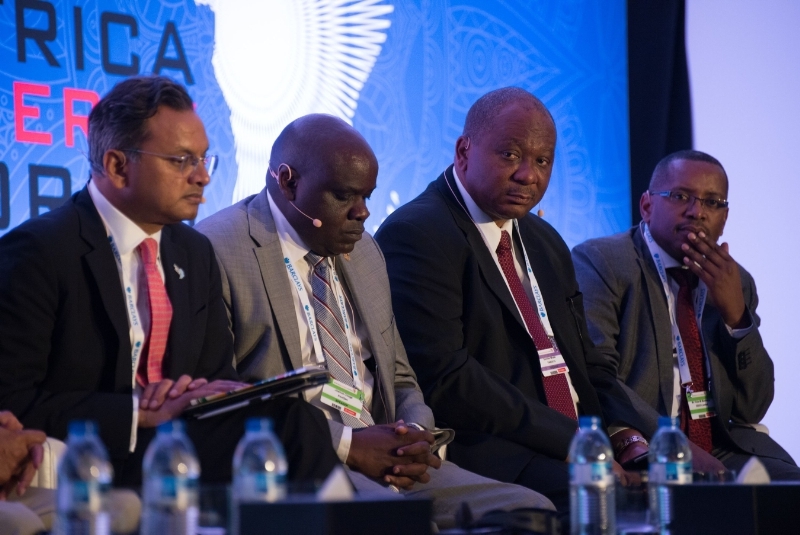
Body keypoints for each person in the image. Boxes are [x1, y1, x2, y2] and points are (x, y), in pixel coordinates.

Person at [196, 113, 555, 528]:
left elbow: (400, 374)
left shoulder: (365, 251)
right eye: (345, 195)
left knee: (531, 513)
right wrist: (351, 446)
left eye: (367, 196)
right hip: (305, 462)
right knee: (402, 522)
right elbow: (227, 399)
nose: (362, 213)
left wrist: (413, 435)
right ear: (288, 181)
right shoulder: (219, 250)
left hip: (390, 454)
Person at [0, 76, 339, 491]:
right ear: (118, 166)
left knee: (291, 419)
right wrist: (136, 412)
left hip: (182, 442)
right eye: (182, 161)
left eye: (204, 160)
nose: (203, 178)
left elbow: (213, 375)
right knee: (293, 429)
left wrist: (218, 393)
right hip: (93, 452)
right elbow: (13, 399)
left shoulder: (194, 252)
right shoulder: (40, 250)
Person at [374, 87, 651, 512]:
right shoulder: (419, 233)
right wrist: (569, 439)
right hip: (493, 447)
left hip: (574, 439)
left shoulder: (544, 241)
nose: (528, 174)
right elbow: (447, 378)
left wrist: (632, 433)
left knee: (682, 485)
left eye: (542, 161)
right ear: (464, 151)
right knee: (606, 499)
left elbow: (587, 363)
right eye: (509, 155)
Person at [572, 150, 800, 479]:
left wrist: (737, 318)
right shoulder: (602, 261)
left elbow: (753, 406)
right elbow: (599, 378)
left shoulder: (737, 282)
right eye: (681, 196)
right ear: (647, 206)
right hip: (640, 442)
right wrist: (675, 444)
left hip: (721, 446)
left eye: (712, 202)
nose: (697, 212)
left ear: (724, 217)